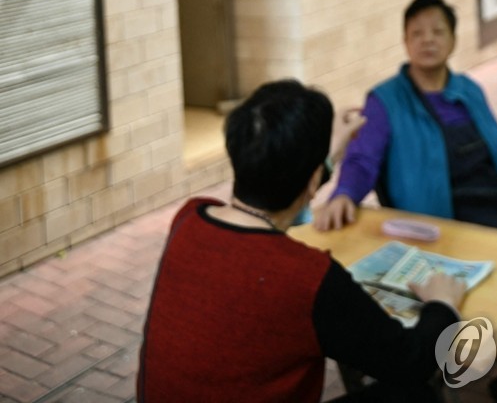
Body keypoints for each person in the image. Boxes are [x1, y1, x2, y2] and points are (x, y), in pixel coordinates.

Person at [315, 0, 497, 402]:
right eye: (416, 33)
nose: (427, 40)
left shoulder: (468, 90)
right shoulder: (386, 100)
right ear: (404, 41)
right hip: (449, 230)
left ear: (453, 40)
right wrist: (345, 192)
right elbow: (363, 158)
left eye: (437, 31)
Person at [137, 79, 464, 403]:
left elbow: (280, 209)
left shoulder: (189, 217)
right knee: (413, 395)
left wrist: (329, 155)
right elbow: (412, 361)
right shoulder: (309, 278)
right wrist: (442, 305)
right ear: (312, 180)